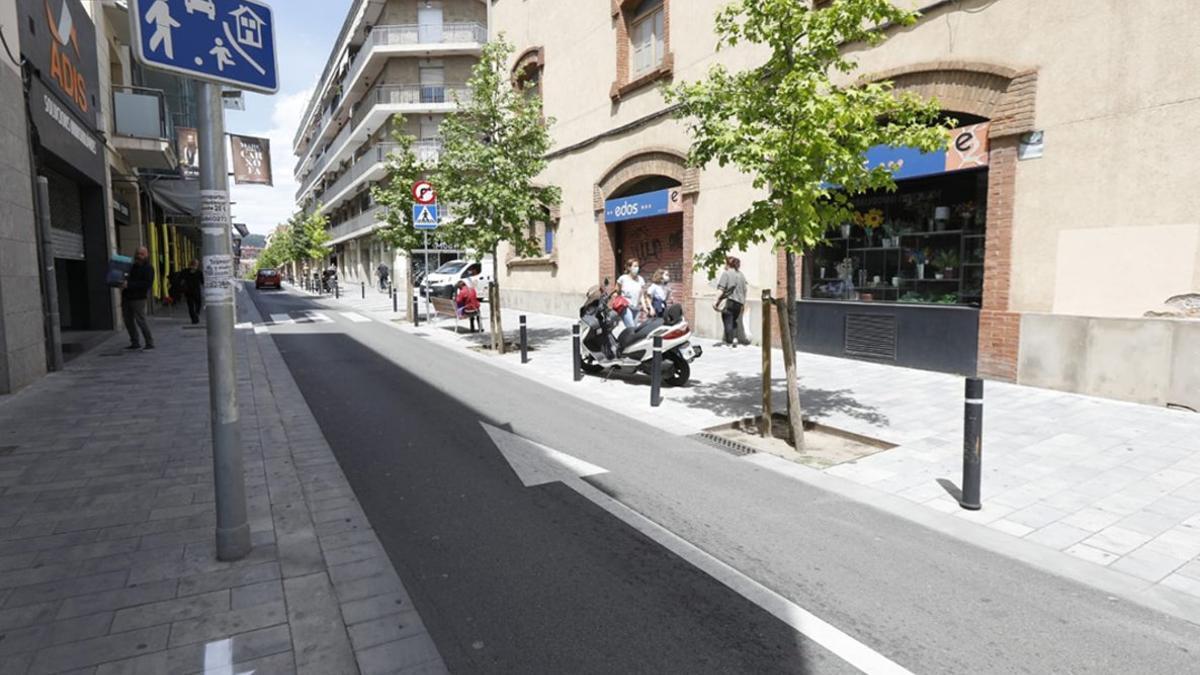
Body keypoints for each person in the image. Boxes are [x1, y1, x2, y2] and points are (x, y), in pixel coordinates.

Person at [122, 247, 155, 350]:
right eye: (137, 253)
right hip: (127, 296)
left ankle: (149, 342)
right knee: (128, 320)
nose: (138, 256)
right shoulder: (132, 266)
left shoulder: (148, 268)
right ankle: (134, 342)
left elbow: (147, 284)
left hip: (138, 298)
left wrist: (129, 285)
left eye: (141, 254)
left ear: (146, 255)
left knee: (140, 320)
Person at [714, 256, 748, 347]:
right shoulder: (741, 275)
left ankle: (729, 341)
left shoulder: (726, 273)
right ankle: (735, 339)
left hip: (729, 300)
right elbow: (745, 290)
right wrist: (743, 303)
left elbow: (721, 289)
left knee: (727, 320)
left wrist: (716, 301)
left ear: (728, 264)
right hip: (739, 302)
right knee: (734, 321)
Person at [616, 259, 650, 328]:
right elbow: (617, 291)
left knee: (633, 329)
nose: (637, 268)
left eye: (637, 266)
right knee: (631, 327)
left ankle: (625, 338)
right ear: (629, 267)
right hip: (626, 307)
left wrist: (644, 307)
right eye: (634, 266)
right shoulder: (622, 278)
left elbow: (641, 295)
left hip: (636, 308)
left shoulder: (641, 279)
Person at [180, 259, 204, 325]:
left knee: (190, 306)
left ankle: (194, 319)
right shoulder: (199, 272)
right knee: (198, 304)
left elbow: (181, 279)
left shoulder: (185, 271)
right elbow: (202, 281)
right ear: (196, 265)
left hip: (188, 291)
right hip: (196, 291)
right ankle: (196, 314)